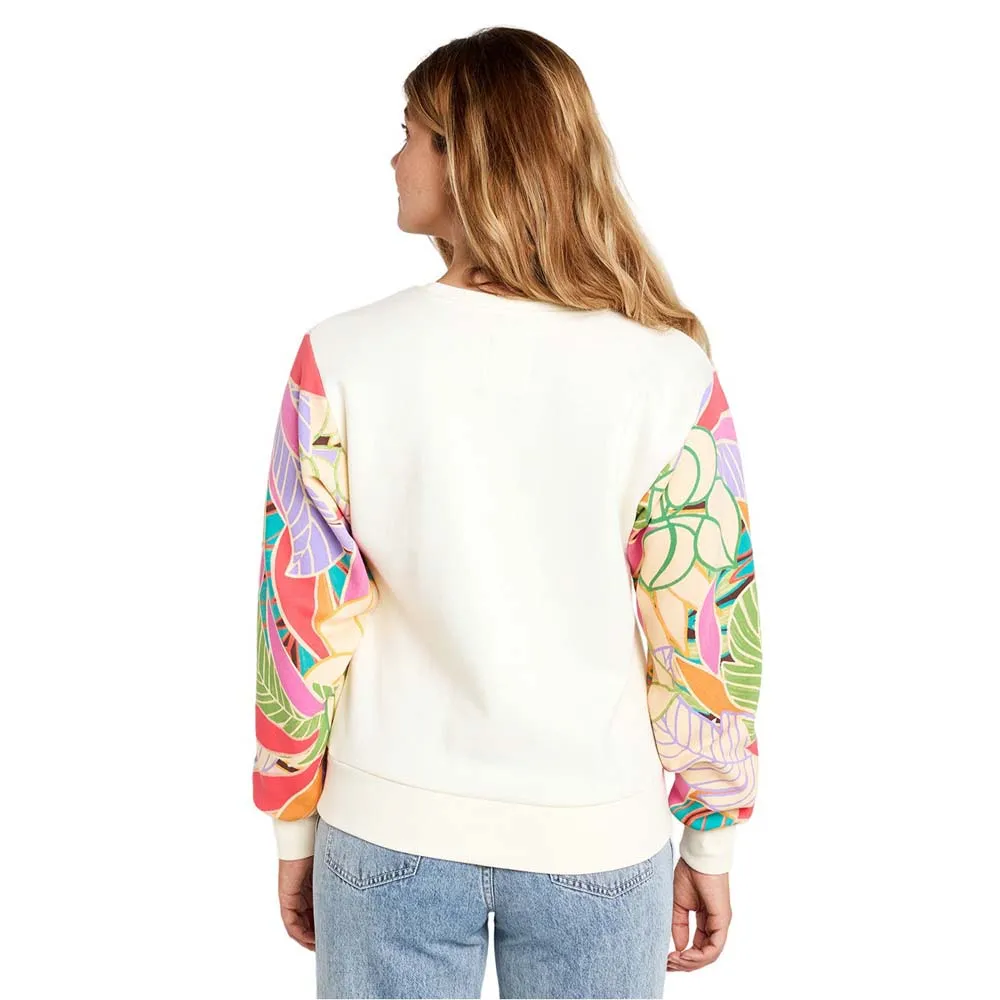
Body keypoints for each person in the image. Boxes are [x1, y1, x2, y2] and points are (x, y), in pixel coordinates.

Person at [252, 25, 762, 1000]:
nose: (392, 159)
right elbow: (703, 625)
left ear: (467, 155)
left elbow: (300, 622)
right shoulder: (666, 371)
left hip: (388, 826)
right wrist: (711, 836)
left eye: (409, 133)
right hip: (596, 834)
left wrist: (293, 821)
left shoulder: (343, 356)